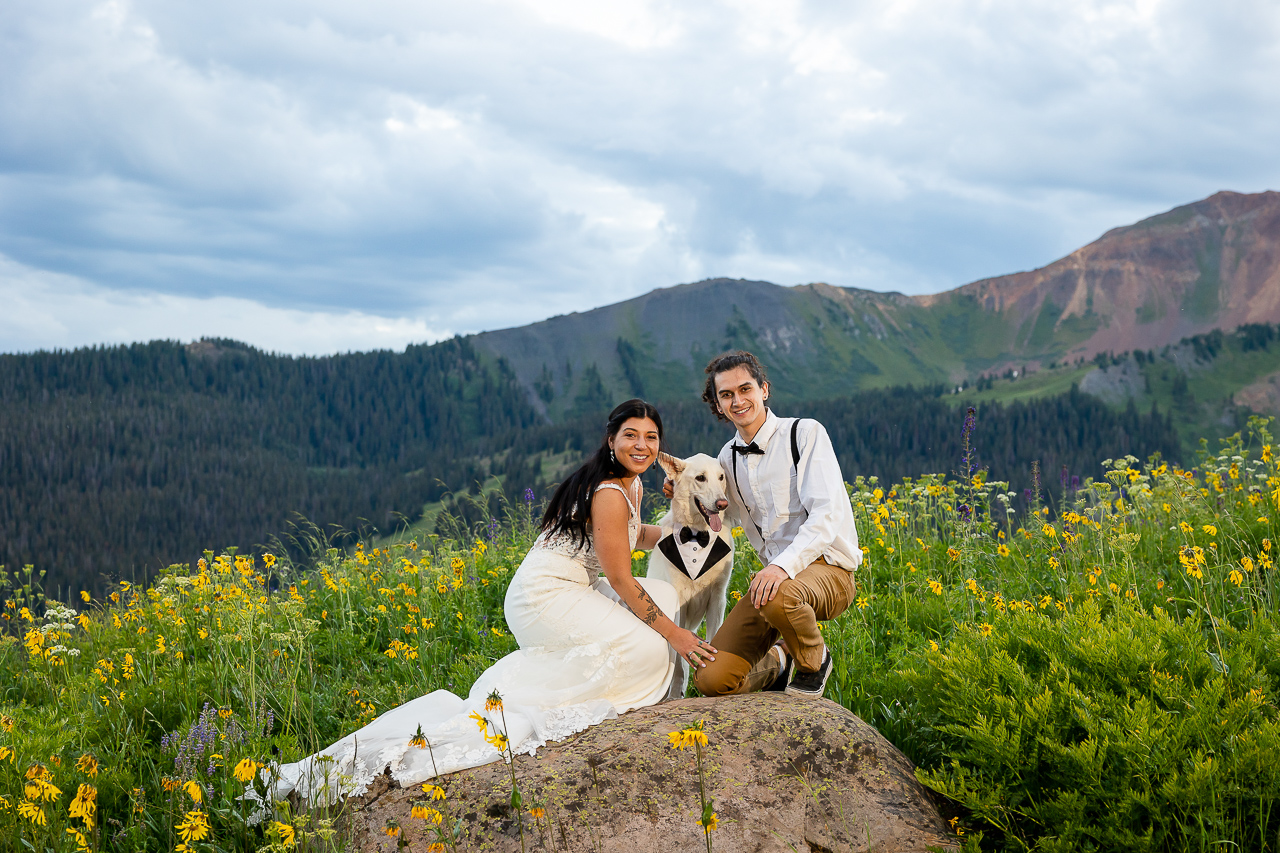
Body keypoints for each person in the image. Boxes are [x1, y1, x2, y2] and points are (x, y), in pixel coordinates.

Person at [265, 399, 715, 807]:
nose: (642, 445)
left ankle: (552, 684)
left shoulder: (631, 487)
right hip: (545, 594)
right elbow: (619, 575)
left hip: (572, 584)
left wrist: (686, 529)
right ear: (611, 440)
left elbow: (630, 540)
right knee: (653, 644)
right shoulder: (609, 492)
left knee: (662, 593)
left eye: (651, 437)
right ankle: (534, 702)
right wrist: (676, 635)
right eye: (630, 436)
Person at [690, 351, 860, 699]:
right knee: (712, 679)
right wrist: (689, 494)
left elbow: (827, 516)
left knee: (777, 594)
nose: (738, 401)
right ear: (718, 405)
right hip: (776, 587)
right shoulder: (726, 458)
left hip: (830, 572)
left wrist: (781, 567)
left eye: (745, 389)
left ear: (764, 390)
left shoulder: (805, 433)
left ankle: (814, 662)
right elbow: (725, 518)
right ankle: (779, 662)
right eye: (726, 395)